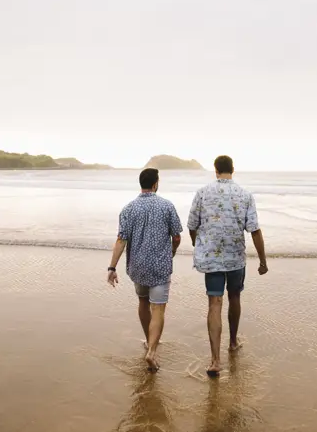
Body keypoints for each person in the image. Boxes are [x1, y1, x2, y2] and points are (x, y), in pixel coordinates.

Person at [187, 155, 268, 377]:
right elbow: (255, 230)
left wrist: (198, 243)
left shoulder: (203, 192)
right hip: (235, 259)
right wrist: (262, 260)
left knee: (215, 302)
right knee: (234, 297)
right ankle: (232, 342)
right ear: (233, 169)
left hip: (211, 260)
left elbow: (192, 225)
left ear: (215, 170)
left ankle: (215, 360)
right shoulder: (245, 194)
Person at [107, 168, 182, 372]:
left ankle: (149, 342)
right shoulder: (167, 206)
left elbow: (121, 240)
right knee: (158, 309)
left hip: (138, 267)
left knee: (142, 302)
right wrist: (172, 252)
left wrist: (112, 267)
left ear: (141, 184)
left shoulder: (129, 209)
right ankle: (152, 351)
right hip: (160, 266)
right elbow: (176, 236)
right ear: (156, 183)